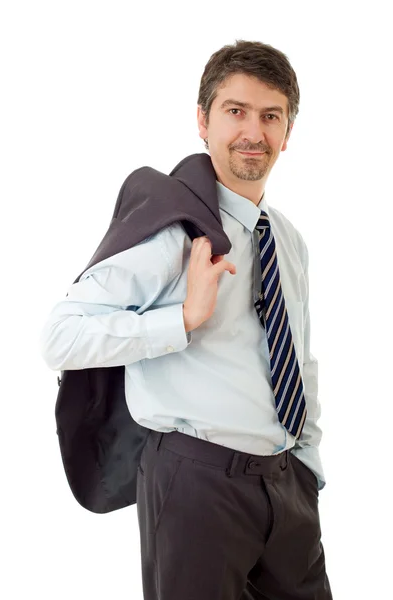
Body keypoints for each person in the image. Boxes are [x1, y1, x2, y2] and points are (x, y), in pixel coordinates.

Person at [40, 40, 333, 599]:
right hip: (197, 483)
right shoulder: (173, 231)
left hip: (285, 486)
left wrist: (307, 467)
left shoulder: (288, 239)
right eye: (235, 111)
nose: (254, 131)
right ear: (202, 120)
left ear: (288, 132)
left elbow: (299, 355)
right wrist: (182, 319)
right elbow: (60, 336)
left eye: (271, 116)